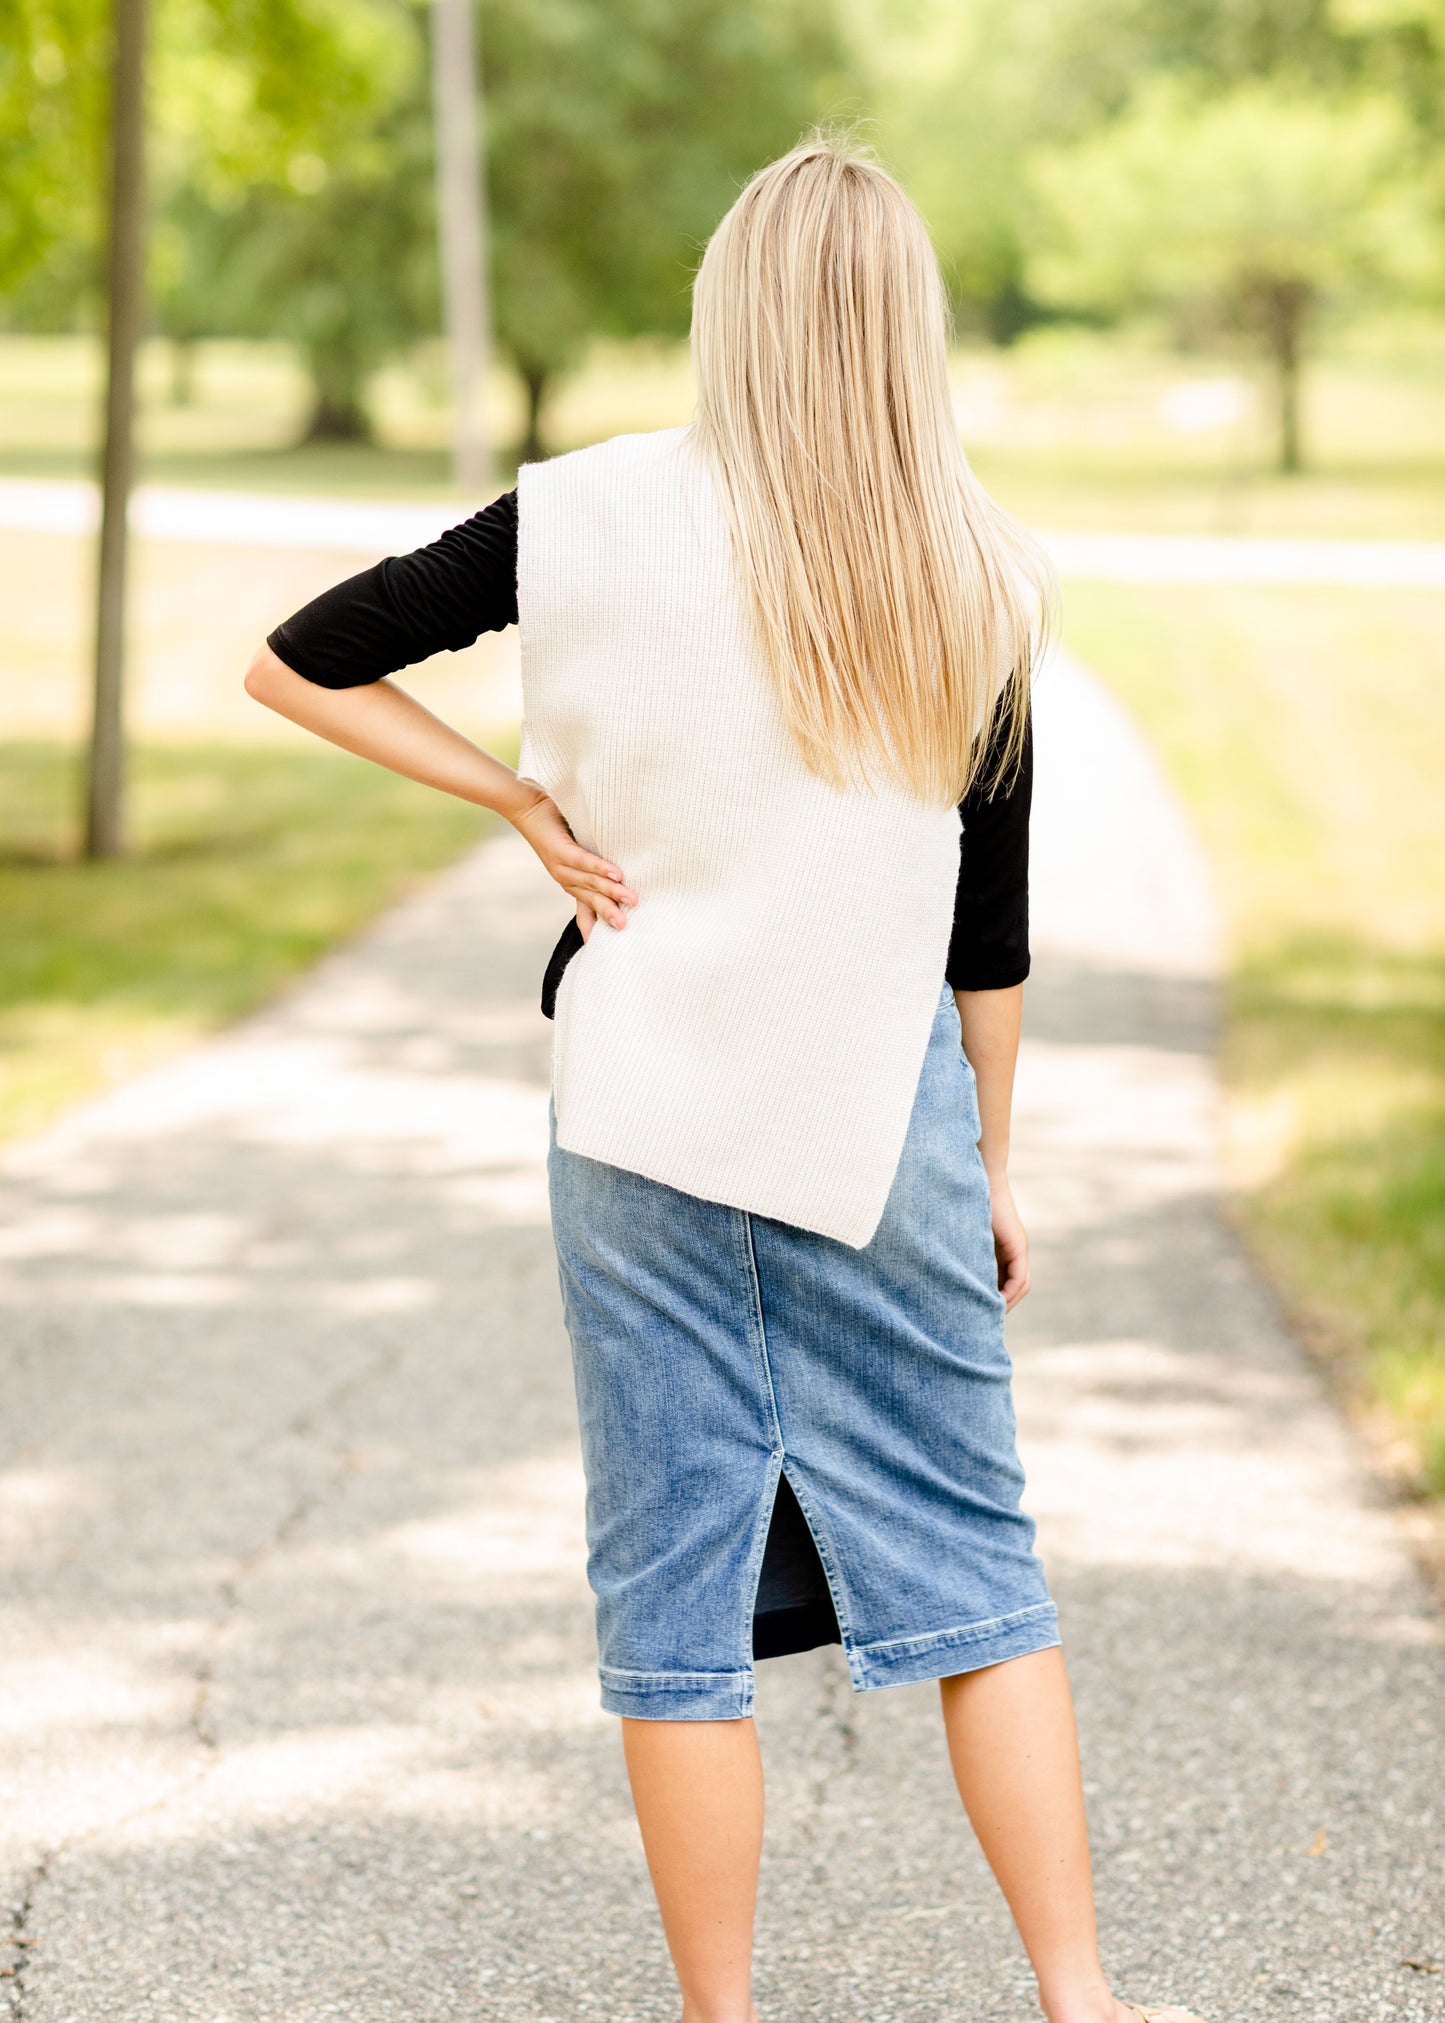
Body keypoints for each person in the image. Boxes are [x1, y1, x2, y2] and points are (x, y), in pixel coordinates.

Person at [245, 133, 1206, 2023]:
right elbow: (981, 937)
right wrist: (992, 1166)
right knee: (976, 1564)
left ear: (727, 314)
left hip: (642, 1114)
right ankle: (1082, 2002)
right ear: (902, 328)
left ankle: (721, 2017)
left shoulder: (577, 517)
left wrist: (514, 795)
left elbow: (300, 664)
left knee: (673, 1588)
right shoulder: (976, 568)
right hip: (883, 1119)